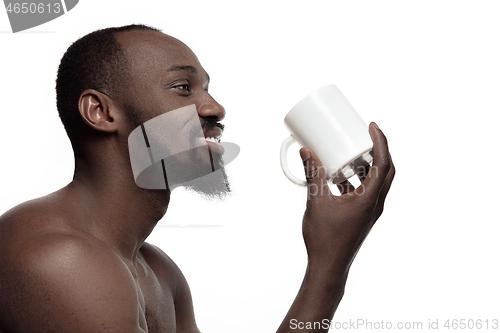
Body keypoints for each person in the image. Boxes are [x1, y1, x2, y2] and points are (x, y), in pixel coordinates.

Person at [0, 24, 395, 333]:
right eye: (182, 88)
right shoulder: (58, 259)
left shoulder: (158, 272)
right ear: (101, 112)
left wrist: (331, 257)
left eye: (207, 88)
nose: (215, 108)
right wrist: (329, 265)